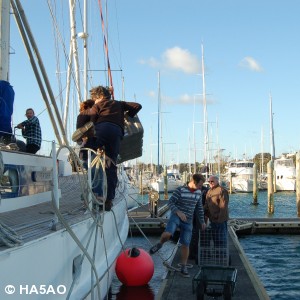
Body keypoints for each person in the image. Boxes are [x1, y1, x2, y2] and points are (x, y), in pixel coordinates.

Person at [87, 85, 142, 211]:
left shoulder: (97, 105)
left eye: (95, 98)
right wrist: (128, 114)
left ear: (99, 96)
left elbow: (92, 122)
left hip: (101, 130)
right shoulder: (119, 104)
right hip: (116, 133)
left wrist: (90, 140)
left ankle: (96, 193)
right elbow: (138, 106)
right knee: (111, 166)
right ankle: (109, 200)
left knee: (90, 160)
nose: (94, 101)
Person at [149, 174, 206, 278]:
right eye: (200, 185)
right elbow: (170, 203)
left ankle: (183, 267)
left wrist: (202, 221)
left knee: (186, 243)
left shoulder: (199, 193)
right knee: (168, 234)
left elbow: (199, 208)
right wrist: (178, 212)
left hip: (188, 220)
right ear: (193, 181)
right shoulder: (180, 190)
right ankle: (160, 244)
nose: (200, 187)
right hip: (176, 217)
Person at [204, 175, 229, 257]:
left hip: (220, 220)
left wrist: (219, 219)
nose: (210, 183)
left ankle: (223, 256)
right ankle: (218, 255)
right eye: (209, 182)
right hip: (212, 219)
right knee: (215, 238)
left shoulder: (222, 190)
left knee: (222, 239)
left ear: (217, 181)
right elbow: (206, 205)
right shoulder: (209, 191)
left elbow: (223, 206)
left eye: (212, 181)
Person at [189, 174, 208, 262]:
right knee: (191, 234)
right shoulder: (186, 190)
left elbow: (206, 203)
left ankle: (197, 252)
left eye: (201, 185)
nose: (200, 187)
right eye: (199, 184)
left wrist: (205, 214)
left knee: (198, 234)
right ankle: (191, 253)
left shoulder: (205, 190)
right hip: (189, 215)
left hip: (199, 215)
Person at [76, 99, 97, 170]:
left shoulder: (80, 115)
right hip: (90, 141)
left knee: (85, 162)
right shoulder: (91, 112)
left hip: (83, 142)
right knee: (93, 165)